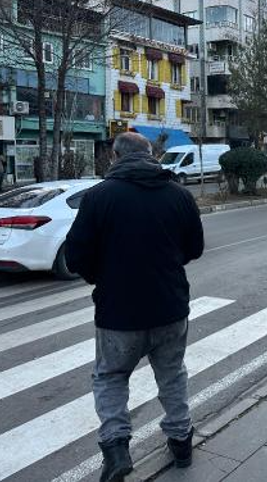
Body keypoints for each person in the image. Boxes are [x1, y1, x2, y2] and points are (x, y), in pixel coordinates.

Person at [65, 133, 204, 481]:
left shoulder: (99, 197)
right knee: (172, 374)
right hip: (171, 307)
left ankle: (115, 449)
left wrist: (103, 276)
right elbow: (195, 248)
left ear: (114, 157)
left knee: (111, 377)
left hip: (118, 311)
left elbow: (76, 255)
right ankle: (181, 440)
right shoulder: (179, 195)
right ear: (151, 154)